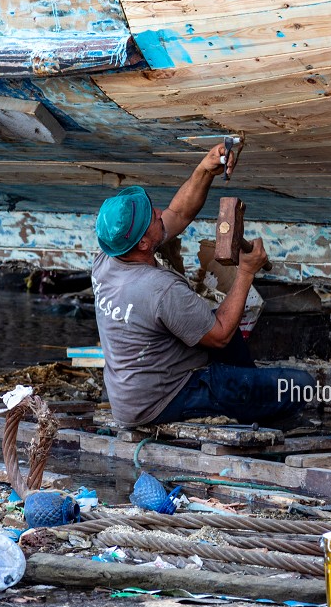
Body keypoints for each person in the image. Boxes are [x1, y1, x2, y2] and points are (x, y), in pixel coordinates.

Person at [90, 142, 316, 428]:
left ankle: (250, 396)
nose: (159, 212)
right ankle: (256, 409)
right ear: (144, 244)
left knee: (220, 329)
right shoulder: (161, 289)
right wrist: (246, 271)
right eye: (152, 217)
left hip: (132, 394)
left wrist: (204, 169)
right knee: (300, 386)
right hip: (164, 400)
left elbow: (178, 213)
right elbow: (219, 335)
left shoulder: (108, 257)